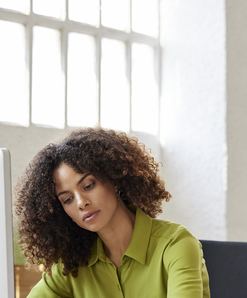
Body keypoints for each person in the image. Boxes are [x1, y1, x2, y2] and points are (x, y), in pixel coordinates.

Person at [15, 127, 210, 297]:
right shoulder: (72, 265)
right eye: (67, 199)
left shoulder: (175, 245)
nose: (81, 203)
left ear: (114, 179)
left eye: (89, 185)